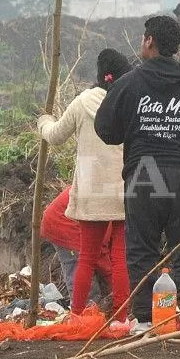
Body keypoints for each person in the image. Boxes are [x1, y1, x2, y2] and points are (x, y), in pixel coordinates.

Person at [95, 15, 180, 330]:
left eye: (143, 37)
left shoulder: (129, 83)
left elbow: (106, 129)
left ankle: (143, 321)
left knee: (142, 248)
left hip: (143, 177)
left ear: (149, 40)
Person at [38, 49, 134, 319]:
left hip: (91, 194)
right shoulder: (130, 103)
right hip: (123, 192)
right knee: (120, 259)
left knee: (87, 257)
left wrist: (44, 122)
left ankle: (78, 316)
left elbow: (55, 136)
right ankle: (121, 318)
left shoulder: (82, 102)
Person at [40, 185, 114, 304]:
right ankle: (85, 316)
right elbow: (100, 249)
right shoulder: (111, 208)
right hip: (63, 223)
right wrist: (114, 282)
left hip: (71, 219)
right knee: (83, 275)